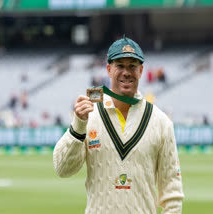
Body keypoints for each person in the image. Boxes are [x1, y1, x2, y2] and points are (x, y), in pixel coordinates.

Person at [53, 36, 184, 214]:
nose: (126, 72)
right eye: (120, 66)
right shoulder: (89, 115)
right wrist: (78, 126)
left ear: (141, 70)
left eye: (132, 66)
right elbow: (62, 169)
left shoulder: (161, 122)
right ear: (108, 69)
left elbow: (172, 194)